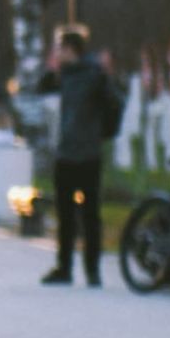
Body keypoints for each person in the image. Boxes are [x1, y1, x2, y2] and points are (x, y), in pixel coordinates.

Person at [33, 26, 122, 286]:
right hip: (65, 153)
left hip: (88, 153)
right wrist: (51, 69)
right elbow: (40, 88)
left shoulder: (94, 75)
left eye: (58, 48)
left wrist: (102, 132)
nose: (55, 53)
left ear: (70, 49)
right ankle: (65, 267)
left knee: (90, 214)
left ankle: (92, 269)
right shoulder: (62, 76)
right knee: (65, 214)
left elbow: (114, 103)